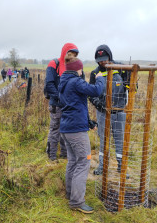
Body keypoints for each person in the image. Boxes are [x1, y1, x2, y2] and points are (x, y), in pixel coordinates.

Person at [59, 55, 104, 214]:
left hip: (66, 128)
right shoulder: (75, 82)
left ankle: (70, 194)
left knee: (72, 161)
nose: (82, 71)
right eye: (81, 68)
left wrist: (88, 122)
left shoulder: (64, 82)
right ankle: (77, 201)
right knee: (84, 162)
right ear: (77, 69)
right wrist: (99, 79)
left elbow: (76, 105)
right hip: (76, 130)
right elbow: (96, 91)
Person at [89, 44, 129, 175]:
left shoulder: (122, 69)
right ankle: (102, 165)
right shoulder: (95, 73)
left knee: (119, 139)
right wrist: (100, 104)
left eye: (105, 59)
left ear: (110, 56)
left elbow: (132, 86)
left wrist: (129, 83)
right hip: (103, 113)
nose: (103, 62)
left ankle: (121, 166)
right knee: (103, 140)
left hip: (119, 112)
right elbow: (91, 93)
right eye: (100, 60)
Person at [44, 43, 79, 161]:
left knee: (66, 130)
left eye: (74, 55)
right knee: (55, 130)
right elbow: (49, 84)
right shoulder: (54, 64)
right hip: (56, 105)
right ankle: (51, 156)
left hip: (68, 105)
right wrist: (60, 97)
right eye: (70, 54)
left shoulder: (74, 67)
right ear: (65, 52)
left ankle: (64, 155)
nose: (72, 57)